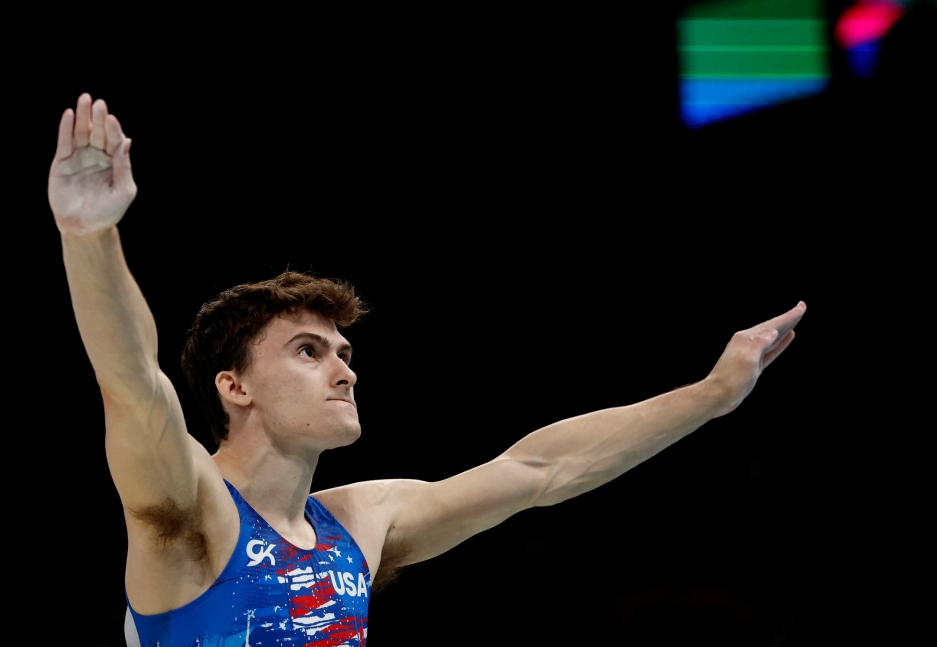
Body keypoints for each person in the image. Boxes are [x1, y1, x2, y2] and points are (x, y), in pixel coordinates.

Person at [50, 93, 806, 646]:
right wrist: (91, 239)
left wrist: (710, 396)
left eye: (344, 354)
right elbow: (133, 382)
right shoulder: (191, 509)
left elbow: (542, 468)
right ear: (234, 386)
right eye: (308, 352)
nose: (344, 372)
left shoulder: (361, 522)